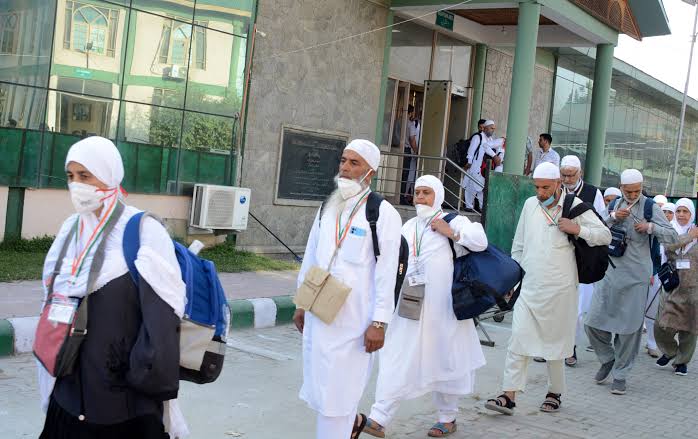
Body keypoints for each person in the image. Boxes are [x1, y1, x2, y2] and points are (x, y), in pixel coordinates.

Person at [36, 136, 187, 438]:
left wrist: (137, 374)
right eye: (71, 176)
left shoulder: (143, 231)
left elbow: (165, 317)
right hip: (66, 394)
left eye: (85, 175)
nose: (76, 185)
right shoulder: (71, 229)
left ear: (108, 175)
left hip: (125, 406)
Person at [362, 175, 487, 438]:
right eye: (417, 192)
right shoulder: (408, 226)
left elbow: (480, 241)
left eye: (426, 193)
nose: (420, 198)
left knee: (446, 361)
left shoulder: (455, 220)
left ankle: (447, 418)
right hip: (410, 307)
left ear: (438, 196)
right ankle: (379, 417)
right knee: (396, 355)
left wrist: (451, 232)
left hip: (445, 311)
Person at [294, 139, 403, 439]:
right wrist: (301, 302)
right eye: (343, 160)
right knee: (322, 392)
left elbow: (387, 274)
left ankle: (345, 427)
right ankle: (349, 426)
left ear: (371, 172)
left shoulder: (382, 214)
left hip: (355, 324)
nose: (345, 167)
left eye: (354, 163)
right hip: (319, 315)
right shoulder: (328, 206)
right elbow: (312, 255)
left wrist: (379, 323)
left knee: (339, 396)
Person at [484, 162, 611, 416]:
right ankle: (508, 394)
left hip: (561, 290)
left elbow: (605, 235)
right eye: (537, 187)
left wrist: (578, 229)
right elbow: (518, 245)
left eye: (546, 187)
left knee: (557, 345)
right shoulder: (531, 205)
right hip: (530, 288)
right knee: (518, 339)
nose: (540, 192)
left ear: (558, 184)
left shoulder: (574, 207)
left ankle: (555, 393)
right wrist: (513, 279)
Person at [585, 169, 679, 395]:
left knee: (629, 330)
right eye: (628, 191)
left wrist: (651, 228)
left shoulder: (649, 207)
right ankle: (607, 359)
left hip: (636, 277)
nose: (632, 194)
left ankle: (620, 375)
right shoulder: (614, 204)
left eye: (637, 190)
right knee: (593, 322)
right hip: (609, 274)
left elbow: (673, 236)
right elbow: (595, 229)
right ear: (621, 187)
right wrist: (612, 217)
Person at [558, 155, 606, 367]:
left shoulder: (593, 193)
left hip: (582, 255)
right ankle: (552, 347)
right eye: (564, 175)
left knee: (576, 307)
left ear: (580, 173)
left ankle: (571, 348)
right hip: (558, 255)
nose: (567, 179)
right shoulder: (554, 190)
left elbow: (601, 225)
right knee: (556, 304)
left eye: (571, 175)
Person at [654, 198, 698, 376]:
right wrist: (690, 236)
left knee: (690, 328)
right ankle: (670, 351)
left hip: (694, 288)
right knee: (661, 325)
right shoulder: (669, 230)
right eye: (678, 211)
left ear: (691, 214)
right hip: (672, 285)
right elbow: (668, 246)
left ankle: (682, 362)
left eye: (685, 211)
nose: (680, 215)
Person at [645, 198, 675, 359]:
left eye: (670, 212)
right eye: (664, 212)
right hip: (652, 273)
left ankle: (652, 343)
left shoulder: (675, 231)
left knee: (653, 312)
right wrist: (651, 271)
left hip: (667, 277)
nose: (667, 215)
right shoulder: (653, 229)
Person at [462, 120, 499, 212]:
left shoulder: (490, 140)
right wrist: (469, 161)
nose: (492, 130)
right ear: (485, 128)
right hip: (475, 165)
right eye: (491, 128)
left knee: (481, 187)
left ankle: (482, 207)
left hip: (484, 167)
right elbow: (471, 150)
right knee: (471, 185)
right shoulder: (478, 137)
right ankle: (468, 206)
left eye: (493, 129)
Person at [401, 106, 420, 204]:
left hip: (396, 149)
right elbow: (412, 140)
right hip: (406, 150)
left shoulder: (397, 122)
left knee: (398, 173)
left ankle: (398, 195)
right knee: (405, 174)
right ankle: (402, 197)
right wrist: (416, 151)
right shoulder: (410, 124)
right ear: (411, 113)